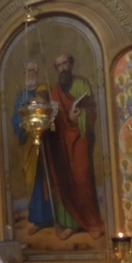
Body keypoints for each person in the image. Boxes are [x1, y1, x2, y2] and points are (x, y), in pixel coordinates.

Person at [42, 54, 105, 240]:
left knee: (82, 178)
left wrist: (81, 115)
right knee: (64, 179)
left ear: (71, 64)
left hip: (79, 139)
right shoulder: (54, 91)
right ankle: (70, 224)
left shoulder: (82, 84)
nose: (62, 68)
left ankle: (91, 222)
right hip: (61, 142)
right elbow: (52, 117)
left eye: (65, 63)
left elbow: (92, 110)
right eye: (58, 65)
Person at [11, 62, 56, 235]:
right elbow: (15, 118)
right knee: (33, 180)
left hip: (46, 143)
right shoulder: (21, 96)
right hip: (28, 145)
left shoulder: (43, 90)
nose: (31, 74)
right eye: (29, 71)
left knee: (47, 179)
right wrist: (22, 125)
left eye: (34, 71)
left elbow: (49, 110)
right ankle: (38, 219)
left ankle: (52, 217)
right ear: (24, 73)